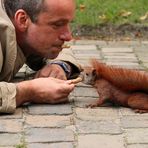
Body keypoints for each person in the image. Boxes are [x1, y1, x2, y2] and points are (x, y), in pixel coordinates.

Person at [0, 0, 82, 114]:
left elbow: (64, 51)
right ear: (22, 20)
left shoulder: (26, 37)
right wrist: (29, 91)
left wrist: (59, 65)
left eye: (67, 24)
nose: (68, 36)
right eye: (57, 25)